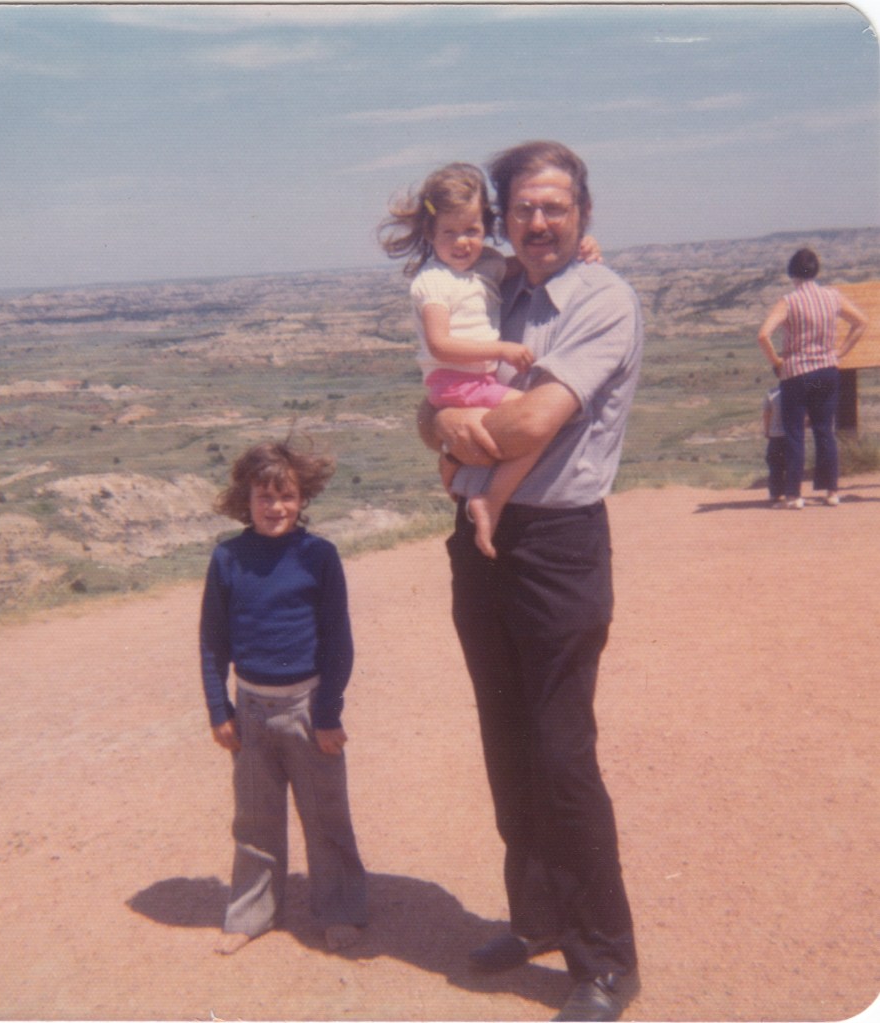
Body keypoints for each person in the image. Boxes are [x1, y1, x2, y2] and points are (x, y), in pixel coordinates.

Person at [418, 140, 642, 1022]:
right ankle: (536, 914)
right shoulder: (493, 288)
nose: (538, 221)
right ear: (503, 215)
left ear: (583, 211)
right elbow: (429, 404)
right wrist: (443, 418)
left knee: (559, 753)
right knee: (506, 743)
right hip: (480, 543)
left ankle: (605, 961)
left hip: (556, 547)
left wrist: (453, 427)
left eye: (555, 206)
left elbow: (528, 424)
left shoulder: (603, 299)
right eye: (523, 208)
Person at [379, 161, 601, 558]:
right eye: (449, 232)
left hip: (472, 381)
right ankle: (492, 497)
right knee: (537, 418)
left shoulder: (485, 266)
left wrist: (580, 247)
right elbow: (440, 344)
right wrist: (500, 350)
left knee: (509, 427)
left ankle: (453, 464)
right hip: (454, 379)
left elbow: (532, 262)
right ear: (430, 233)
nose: (462, 242)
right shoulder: (433, 282)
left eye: (472, 230)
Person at [198, 439, 367, 956]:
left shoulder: (319, 556)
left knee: (326, 817)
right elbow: (212, 640)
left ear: (303, 498)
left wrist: (328, 713)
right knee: (254, 820)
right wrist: (218, 709)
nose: (275, 508)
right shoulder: (228, 558)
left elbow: (339, 641)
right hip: (248, 710)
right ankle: (252, 911)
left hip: (307, 709)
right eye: (264, 497)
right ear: (243, 501)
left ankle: (340, 911)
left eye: (286, 496)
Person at [757, 248, 868, 508]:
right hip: (826, 373)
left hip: (797, 375)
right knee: (824, 431)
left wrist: (777, 362)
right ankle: (831, 491)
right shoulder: (832, 297)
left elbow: (763, 335)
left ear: (792, 272)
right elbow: (861, 322)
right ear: (816, 270)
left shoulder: (789, 301)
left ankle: (794, 495)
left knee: (795, 434)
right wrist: (840, 352)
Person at [762, 384, 787, 504]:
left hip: (775, 435)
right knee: (791, 464)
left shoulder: (772, 392)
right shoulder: (797, 389)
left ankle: (775, 493)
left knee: (775, 465)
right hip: (791, 435)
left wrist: (766, 430)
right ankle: (792, 491)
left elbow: (766, 413)